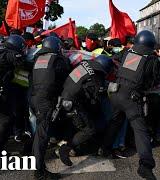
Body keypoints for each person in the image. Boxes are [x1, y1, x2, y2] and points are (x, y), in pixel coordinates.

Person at [100, 30, 160, 180]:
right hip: (131, 98)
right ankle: (145, 165)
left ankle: (105, 149)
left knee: (115, 122)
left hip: (115, 92)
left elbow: (114, 60)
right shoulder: (151, 59)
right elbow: (155, 81)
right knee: (140, 130)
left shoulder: (127, 53)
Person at [57, 55, 114, 166]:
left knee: (78, 124)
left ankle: (67, 143)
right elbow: (94, 101)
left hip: (64, 98)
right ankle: (65, 148)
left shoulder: (84, 64)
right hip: (73, 104)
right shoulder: (95, 78)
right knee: (89, 129)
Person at [31, 36, 71, 179]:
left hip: (35, 98)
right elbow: (65, 76)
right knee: (42, 134)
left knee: (41, 131)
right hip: (46, 100)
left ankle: (36, 159)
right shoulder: (58, 60)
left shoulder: (38, 59)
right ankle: (39, 171)